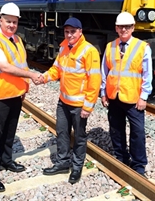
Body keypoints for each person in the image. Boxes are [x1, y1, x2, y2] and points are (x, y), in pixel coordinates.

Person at [0, 2, 43, 192]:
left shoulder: (17, 40)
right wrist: (32, 76)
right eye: (8, 21)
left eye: (14, 22)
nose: (11, 25)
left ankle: (6, 160)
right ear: (1, 20)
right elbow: (4, 67)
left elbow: (21, 64)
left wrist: (24, 88)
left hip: (15, 94)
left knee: (9, 131)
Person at [41, 17, 101, 184]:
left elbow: (94, 81)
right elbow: (56, 70)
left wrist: (88, 107)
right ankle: (62, 163)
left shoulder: (89, 51)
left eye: (73, 31)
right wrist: (44, 78)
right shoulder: (63, 48)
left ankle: (76, 167)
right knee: (61, 132)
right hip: (63, 101)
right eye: (67, 32)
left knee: (79, 137)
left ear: (80, 32)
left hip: (79, 105)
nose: (69, 35)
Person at [100, 12, 153, 176]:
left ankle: (138, 165)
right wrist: (103, 93)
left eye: (127, 26)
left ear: (133, 28)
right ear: (116, 28)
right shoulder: (110, 46)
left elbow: (147, 74)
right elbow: (104, 71)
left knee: (138, 132)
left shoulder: (142, 47)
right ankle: (121, 158)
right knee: (116, 129)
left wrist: (144, 96)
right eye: (121, 26)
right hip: (114, 96)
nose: (124, 29)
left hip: (133, 98)